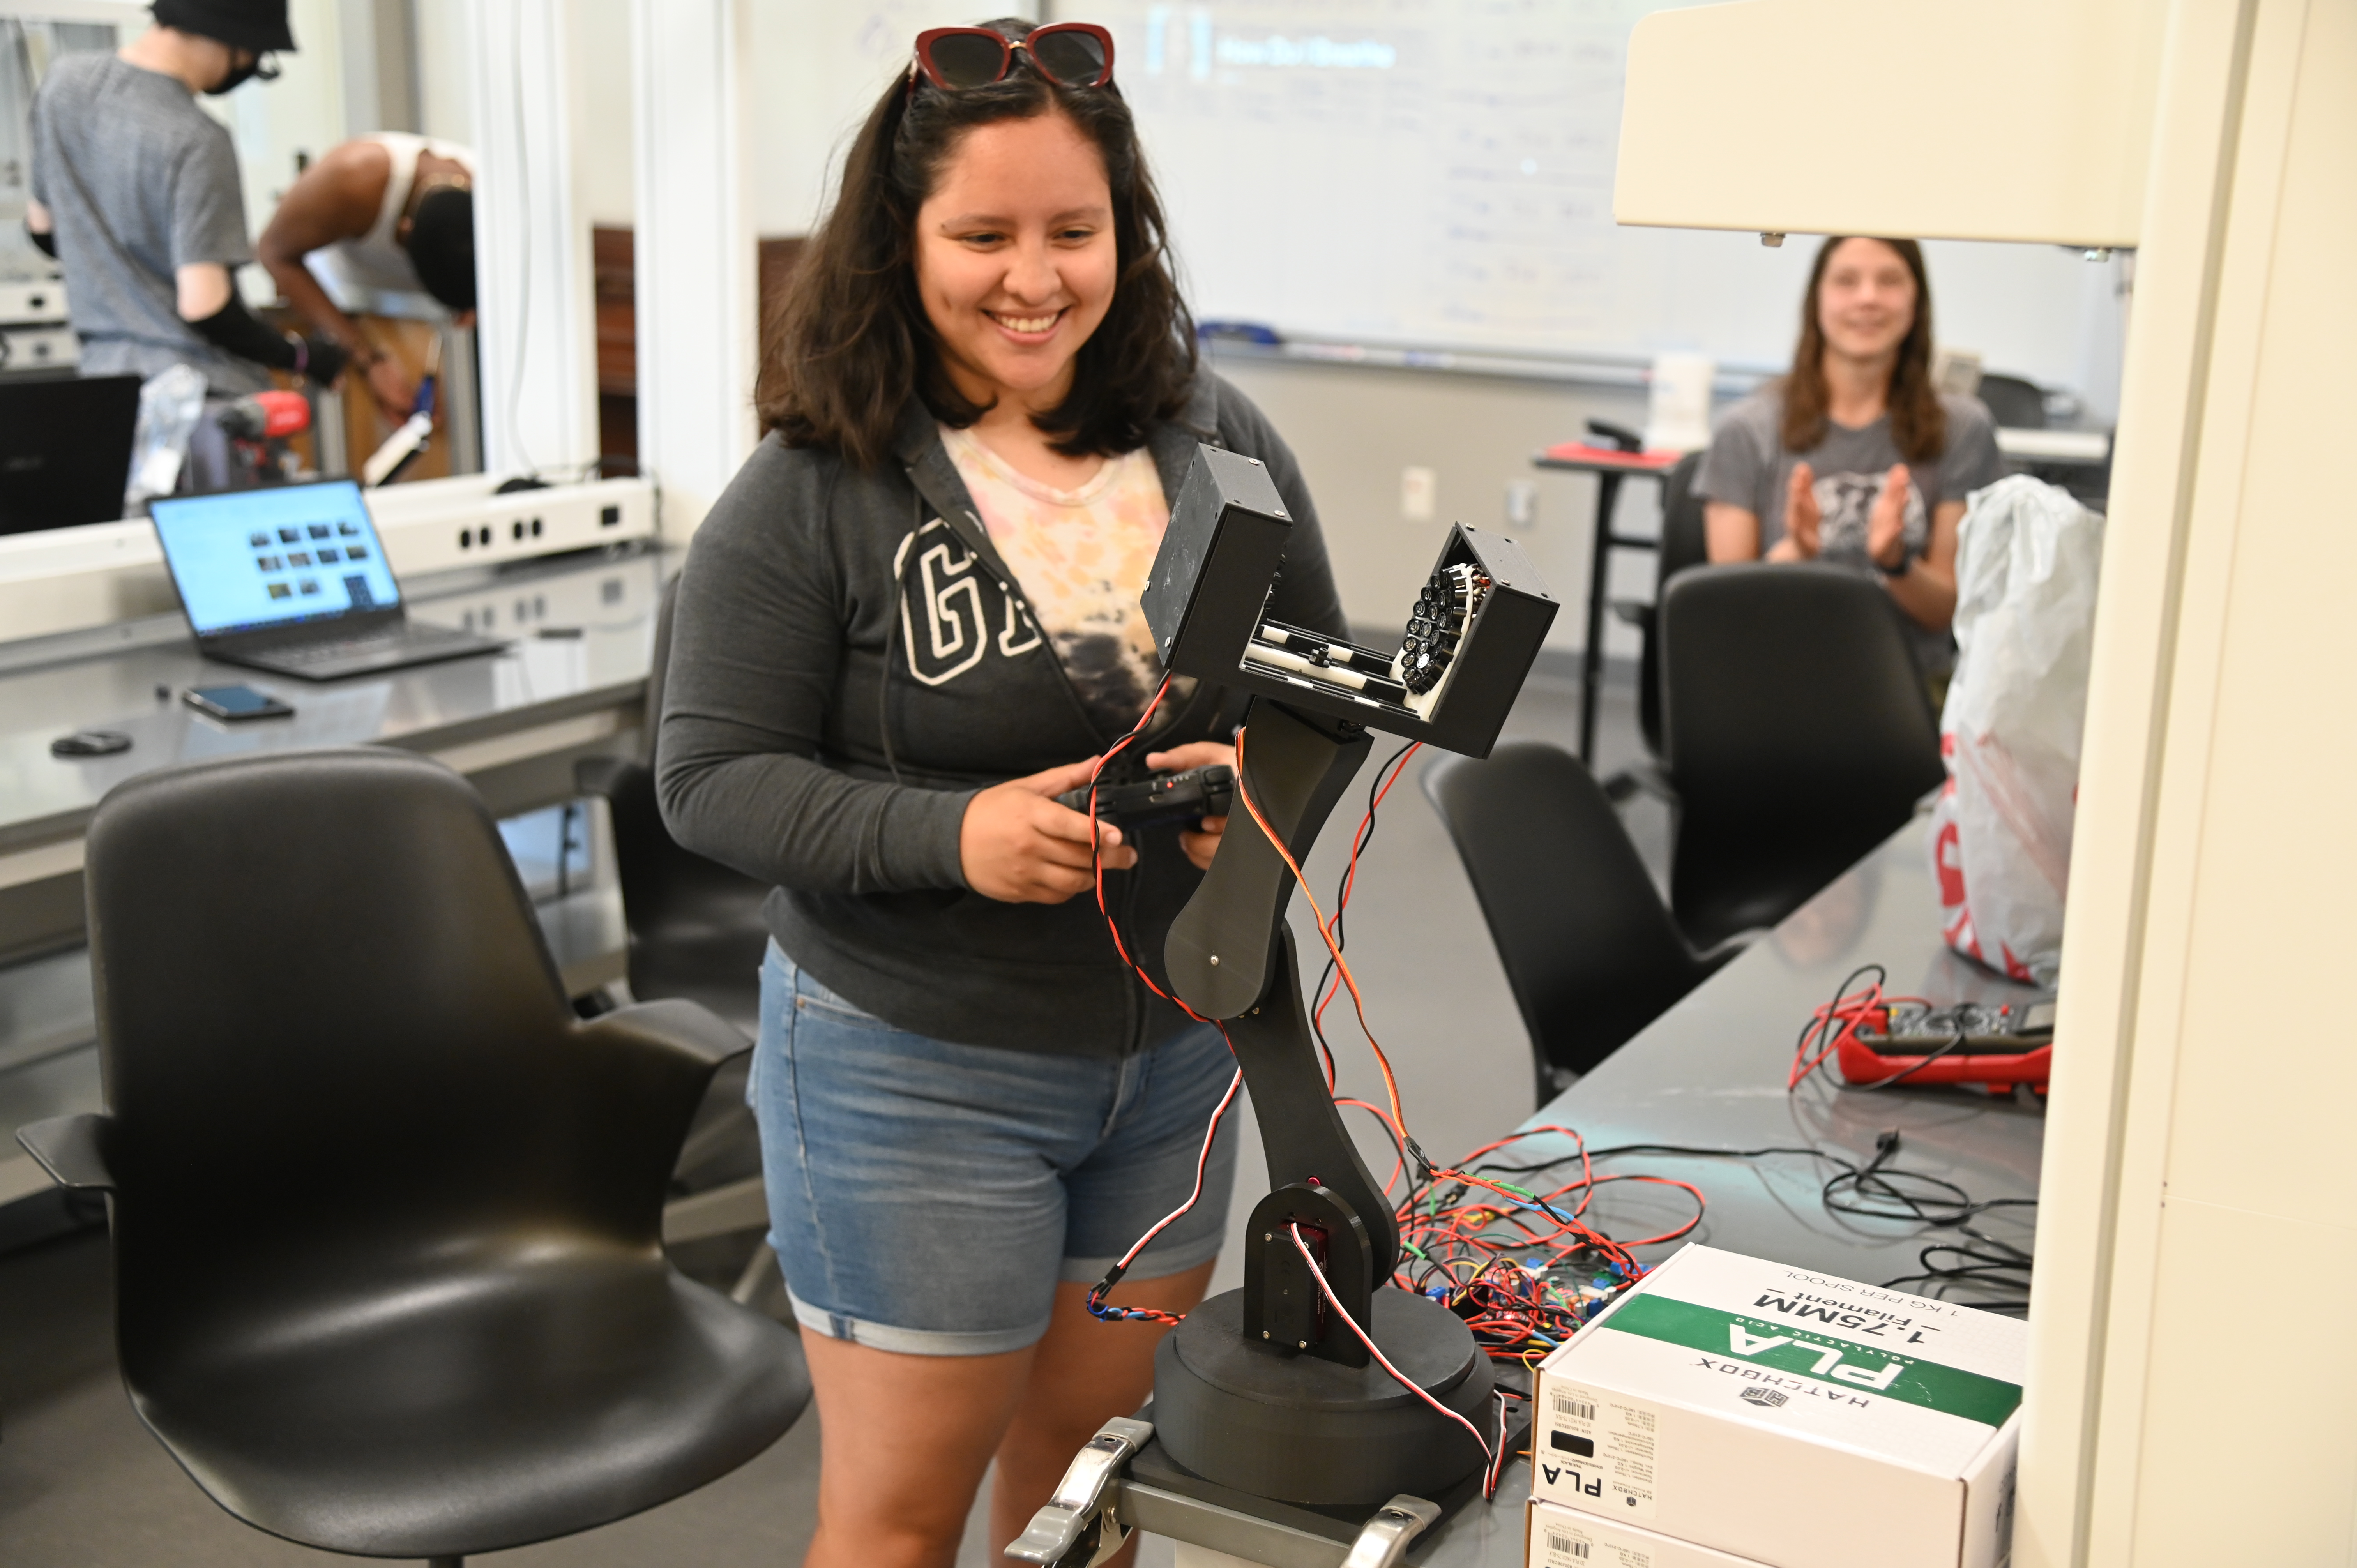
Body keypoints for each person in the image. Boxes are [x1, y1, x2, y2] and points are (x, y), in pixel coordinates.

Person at [655, 18, 1345, 1566]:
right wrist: (950, 835)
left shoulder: (1212, 432)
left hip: (1172, 1058)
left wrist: (1260, 782)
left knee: (1082, 1488)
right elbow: (705, 778)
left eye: (1073, 232)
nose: (1034, 277)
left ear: (1127, 234)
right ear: (898, 244)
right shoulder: (811, 491)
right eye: (982, 234)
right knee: (899, 1521)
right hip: (912, 1077)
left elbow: (1309, 671)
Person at [1696, 235, 2002, 679]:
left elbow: (1945, 611)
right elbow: (1734, 614)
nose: (1868, 298)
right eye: (1846, 281)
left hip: (1909, 688)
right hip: (1776, 681)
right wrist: (1797, 551)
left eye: (1890, 281)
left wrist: (1895, 564)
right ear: (1816, 299)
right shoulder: (1746, 429)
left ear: (1917, 299)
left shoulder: (1964, 428)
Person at [25, 0, 347, 422]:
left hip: (106, 391)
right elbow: (206, 306)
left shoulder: (63, 85)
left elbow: (44, 231)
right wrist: (301, 357)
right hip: (201, 403)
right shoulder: (198, 139)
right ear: (234, 39)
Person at [257, 134, 476, 423]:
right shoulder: (352, 177)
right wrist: (368, 360)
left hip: (418, 323)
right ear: (404, 230)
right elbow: (273, 253)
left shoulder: (498, 198)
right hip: (342, 309)